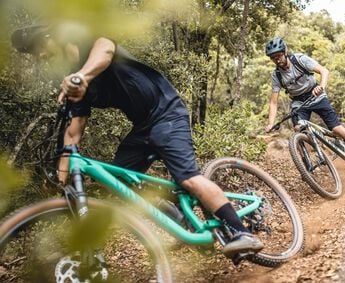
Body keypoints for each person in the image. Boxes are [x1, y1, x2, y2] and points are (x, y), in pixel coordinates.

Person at [10, 23, 263, 258]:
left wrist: (83, 77)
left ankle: (241, 232)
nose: (39, 57)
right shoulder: (75, 82)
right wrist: (60, 179)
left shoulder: (88, 47)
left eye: (37, 49)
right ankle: (184, 224)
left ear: (50, 38)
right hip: (142, 127)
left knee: (188, 178)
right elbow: (74, 133)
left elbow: (106, 50)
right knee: (120, 181)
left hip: (167, 112)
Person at [263, 37, 345, 157]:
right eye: (273, 58)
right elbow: (273, 102)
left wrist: (321, 86)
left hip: (315, 95)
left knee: (336, 128)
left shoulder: (299, 59)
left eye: (278, 56)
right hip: (298, 102)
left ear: (285, 52)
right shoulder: (276, 75)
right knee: (298, 129)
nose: (277, 60)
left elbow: (324, 71)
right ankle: (306, 165)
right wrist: (271, 123)